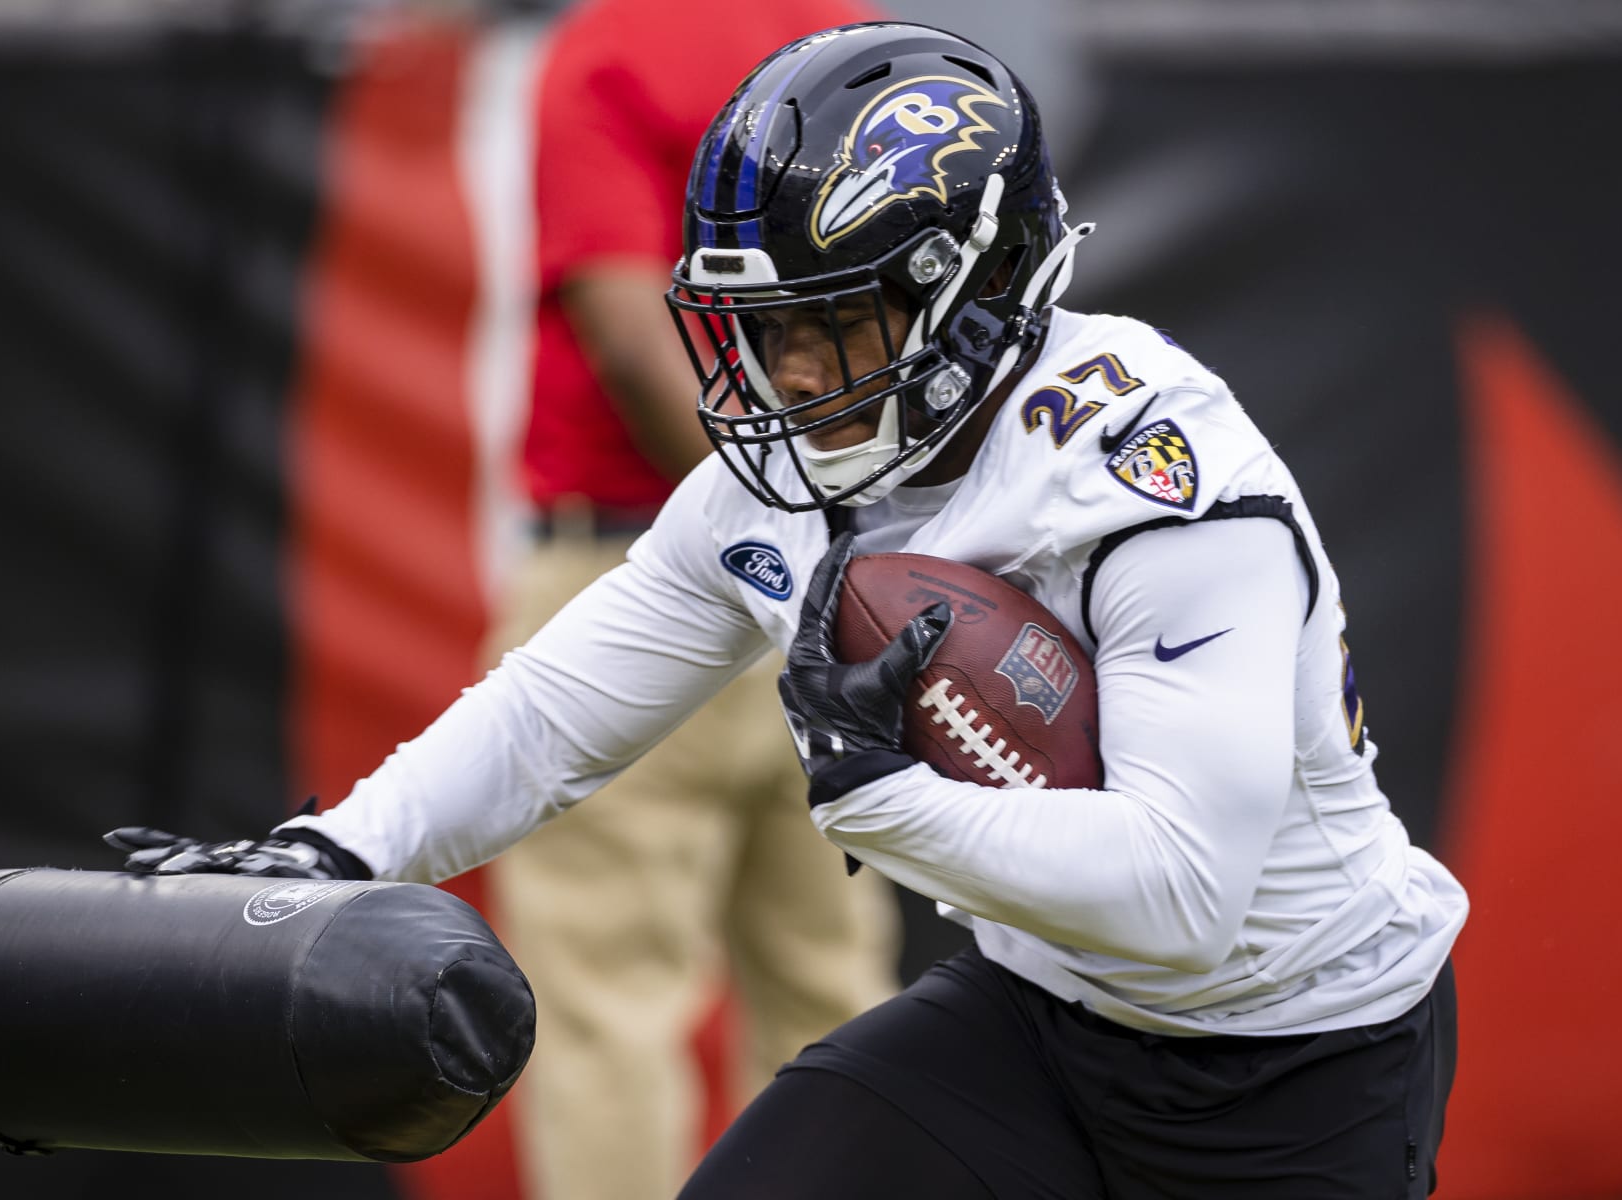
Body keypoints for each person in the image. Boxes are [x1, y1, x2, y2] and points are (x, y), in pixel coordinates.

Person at [110, 21, 1468, 1198]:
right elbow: (554, 710)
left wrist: (883, 800)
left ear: (973, 290)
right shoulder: (788, 477)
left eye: (834, 321)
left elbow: (1180, 898)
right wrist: (334, 851)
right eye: (765, 328)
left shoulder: (1151, 475)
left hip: (1299, 1051)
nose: (794, 373)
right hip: (1044, 1015)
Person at [479, 1, 894, 1196]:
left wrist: (761, 529)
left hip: (636, 575)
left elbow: (629, 331)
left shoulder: (612, 44)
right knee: (832, 999)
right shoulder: (853, 39)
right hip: (844, 579)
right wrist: (828, 548)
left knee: (605, 1010)